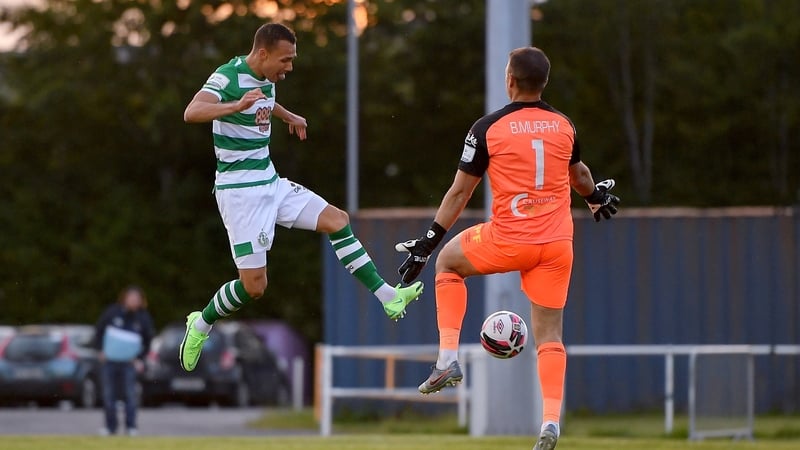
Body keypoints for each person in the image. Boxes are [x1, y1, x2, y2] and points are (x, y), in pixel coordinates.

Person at [395, 47, 620, 450]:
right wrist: (595, 197)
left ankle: (446, 361)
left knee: (447, 263)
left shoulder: (487, 128)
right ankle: (550, 423)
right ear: (544, 83)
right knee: (550, 336)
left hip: (508, 240)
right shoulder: (563, 125)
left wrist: (427, 243)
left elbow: (460, 192)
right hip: (555, 245)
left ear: (510, 80)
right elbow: (580, 174)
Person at [178, 23, 423, 372]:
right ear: (262, 54)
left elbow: (263, 101)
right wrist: (234, 105)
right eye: (285, 60)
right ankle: (200, 323)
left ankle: (389, 296)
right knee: (254, 287)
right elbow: (192, 112)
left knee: (337, 220)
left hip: (270, 182)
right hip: (240, 194)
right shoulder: (227, 76)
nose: (289, 68)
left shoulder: (265, 78)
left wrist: (287, 115)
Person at [93, 285, 155, 436]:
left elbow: (148, 341)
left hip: (129, 363)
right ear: (124, 298)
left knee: (130, 395)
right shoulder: (112, 312)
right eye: (131, 298)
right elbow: (99, 331)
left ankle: (131, 426)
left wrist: (139, 358)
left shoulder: (143, 317)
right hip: (110, 362)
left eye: (136, 299)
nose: (133, 301)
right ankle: (110, 427)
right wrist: (100, 350)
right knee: (109, 395)